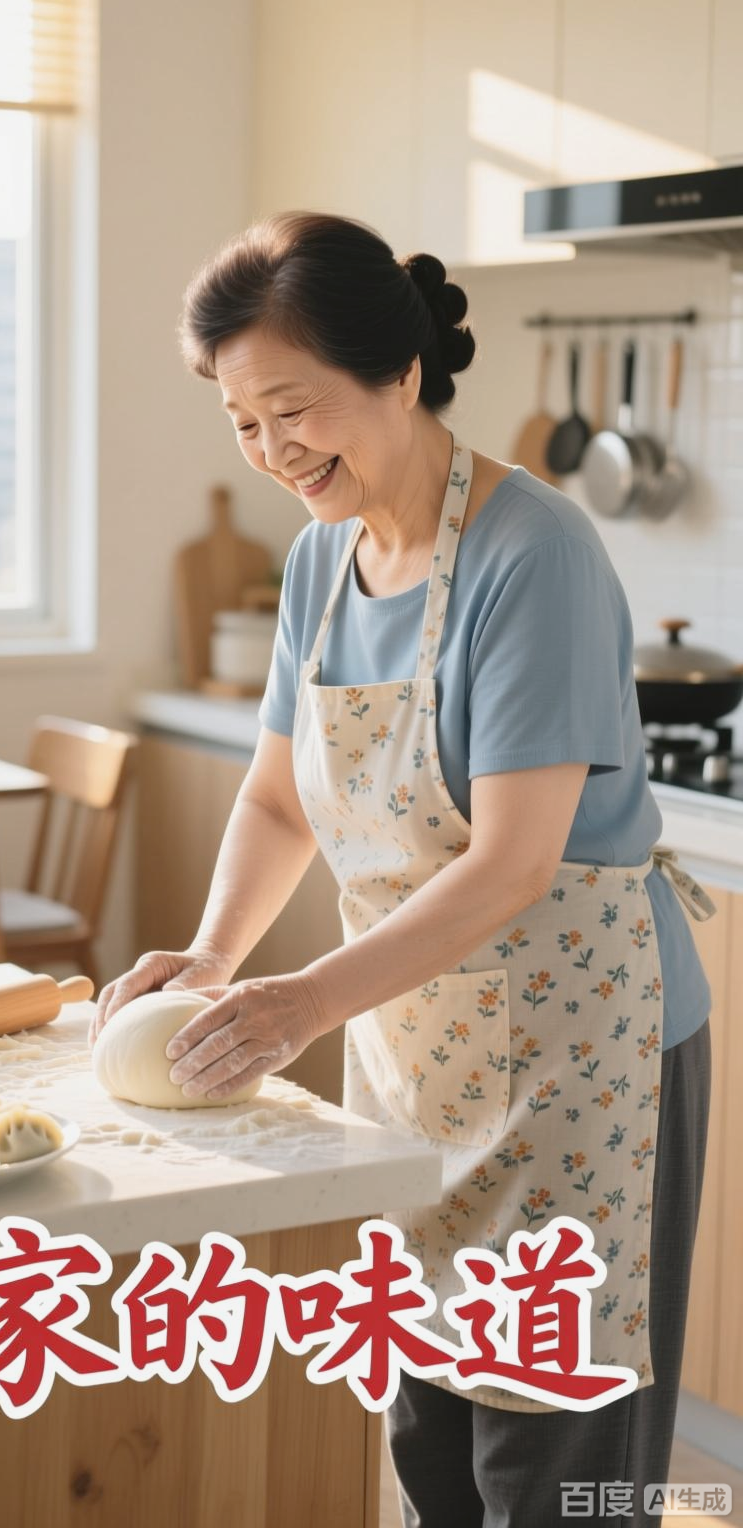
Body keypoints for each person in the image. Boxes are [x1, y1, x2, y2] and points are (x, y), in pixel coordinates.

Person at [90, 212, 714, 1528]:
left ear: (402, 374)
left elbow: (510, 865)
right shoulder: (323, 562)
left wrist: (300, 1004)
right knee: (432, 1432)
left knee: (553, 1459)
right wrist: (215, 959)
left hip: (580, 1052)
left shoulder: (531, 556)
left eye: (295, 409)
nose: (274, 451)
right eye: (244, 423)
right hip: (414, 1040)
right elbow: (274, 798)